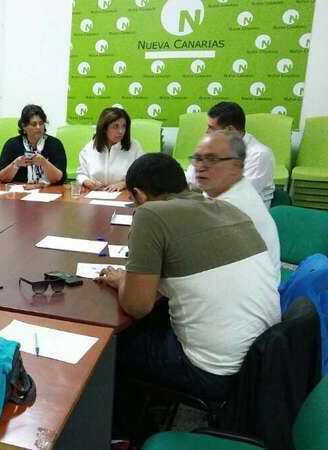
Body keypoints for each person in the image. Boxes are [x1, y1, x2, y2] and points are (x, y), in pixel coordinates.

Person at [96, 153, 280, 403]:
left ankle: (129, 431)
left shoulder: (150, 214)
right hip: (262, 361)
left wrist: (124, 282)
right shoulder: (225, 207)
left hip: (214, 372)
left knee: (111, 346)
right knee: (156, 318)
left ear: (139, 195)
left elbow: (137, 306)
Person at [190, 130, 281, 276]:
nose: (200, 167)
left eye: (211, 159)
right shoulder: (224, 187)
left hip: (251, 290)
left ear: (236, 166)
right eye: (197, 158)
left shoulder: (233, 207)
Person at [185, 101, 275, 207]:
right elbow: (191, 178)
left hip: (243, 216)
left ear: (230, 130)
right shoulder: (216, 147)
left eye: (211, 128)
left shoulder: (259, 155)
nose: (206, 131)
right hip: (214, 209)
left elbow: (237, 196)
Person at [76, 107, 144, 192]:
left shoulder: (134, 146)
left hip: (124, 193)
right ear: (104, 128)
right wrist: (87, 182)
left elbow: (142, 174)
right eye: (115, 126)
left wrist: (124, 183)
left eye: (124, 126)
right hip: (96, 194)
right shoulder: (90, 147)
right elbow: (81, 174)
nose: (121, 131)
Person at [0, 104, 66, 185]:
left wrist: (44, 163)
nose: (38, 127)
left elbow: (59, 178)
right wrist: (16, 164)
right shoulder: (12, 144)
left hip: (49, 190)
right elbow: (2, 178)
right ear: (24, 126)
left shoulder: (55, 144)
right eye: (34, 124)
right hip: (21, 191)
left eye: (41, 123)